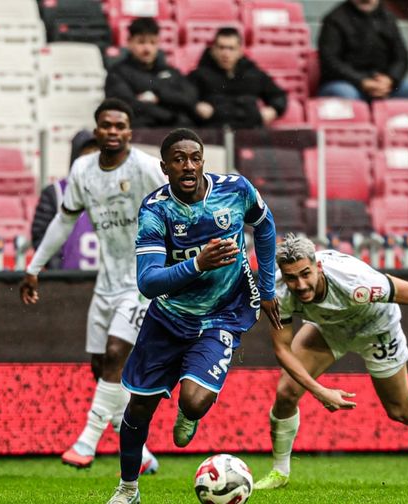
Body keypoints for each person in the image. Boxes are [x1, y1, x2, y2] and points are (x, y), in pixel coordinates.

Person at [105, 128, 280, 504]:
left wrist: (266, 289)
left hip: (223, 315)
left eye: (195, 158)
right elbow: (148, 282)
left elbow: (265, 226)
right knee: (139, 407)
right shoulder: (156, 211)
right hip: (169, 318)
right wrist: (198, 264)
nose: (188, 166)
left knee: (195, 402)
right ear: (165, 168)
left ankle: (188, 410)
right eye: (179, 160)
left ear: (203, 161)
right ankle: (128, 489)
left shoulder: (235, 190)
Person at [254, 235, 408, 490]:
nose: (300, 284)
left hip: (377, 328)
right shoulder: (277, 291)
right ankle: (280, 472)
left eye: (306, 274)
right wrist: (321, 391)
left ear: (318, 267)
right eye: (291, 277)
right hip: (329, 328)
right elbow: (282, 349)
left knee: (401, 410)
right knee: (286, 392)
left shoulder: (355, 282)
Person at [20, 98, 165, 474]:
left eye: (120, 126)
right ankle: (139, 450)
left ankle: (87, 439)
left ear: (129, 132)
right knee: (101, 368)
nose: (113, 132)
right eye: (106, 125)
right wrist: (35, 266)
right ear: (97, 130)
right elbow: (64, 220)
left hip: (142, 280)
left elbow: (183, 202)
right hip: (107, 282)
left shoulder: (146, 167)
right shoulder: (83, 169)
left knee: (117, 354)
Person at [317, 0, 408, 102]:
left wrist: (390, 79)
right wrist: (363, 81)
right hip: (346, 83)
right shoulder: (334, 19)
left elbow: (401, 57)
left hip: (383, 84)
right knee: (344, 93)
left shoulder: (388, 18)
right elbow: (330, 61)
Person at [105, 17, 198, 128]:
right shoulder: (117, 72)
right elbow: (126, 105)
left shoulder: (170, 71)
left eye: (152, 42)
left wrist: (159, 96)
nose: (147, 48)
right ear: (129, 42)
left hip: (176, 128)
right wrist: (169, 113)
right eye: (141, 42)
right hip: (141, 130)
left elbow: (190, 98)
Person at [188, 27, 287, 129]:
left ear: (240, 51)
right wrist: (196, 106)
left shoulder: (253, 74)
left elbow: (278, 96)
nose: (226, 54)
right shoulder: (200, 74)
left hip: (250, 131)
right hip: (214, 131)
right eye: (221, 48)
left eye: (231, 48)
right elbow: (185, 97)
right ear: (213, 50)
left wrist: (273, 110)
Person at [30, 131, 99, 271]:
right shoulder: (55, 193)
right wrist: (58, 270)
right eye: (87, 154)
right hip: (67, 280)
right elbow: (40, 235)